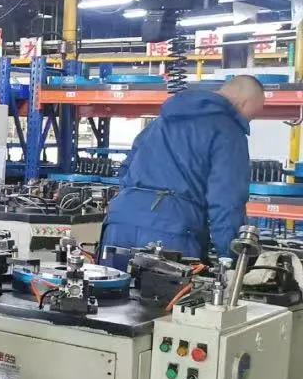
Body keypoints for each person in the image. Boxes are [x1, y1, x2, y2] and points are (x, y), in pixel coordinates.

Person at [102, 75, 265, 263]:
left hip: (120, 223)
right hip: (172, 234)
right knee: (167, 284)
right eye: (251, 117)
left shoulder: (160, 122)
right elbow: (226, 200)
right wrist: (230, 258)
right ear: (244, 104)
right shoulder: (228, 132)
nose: (248, 121)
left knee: (109, 283)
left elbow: (125, 170)